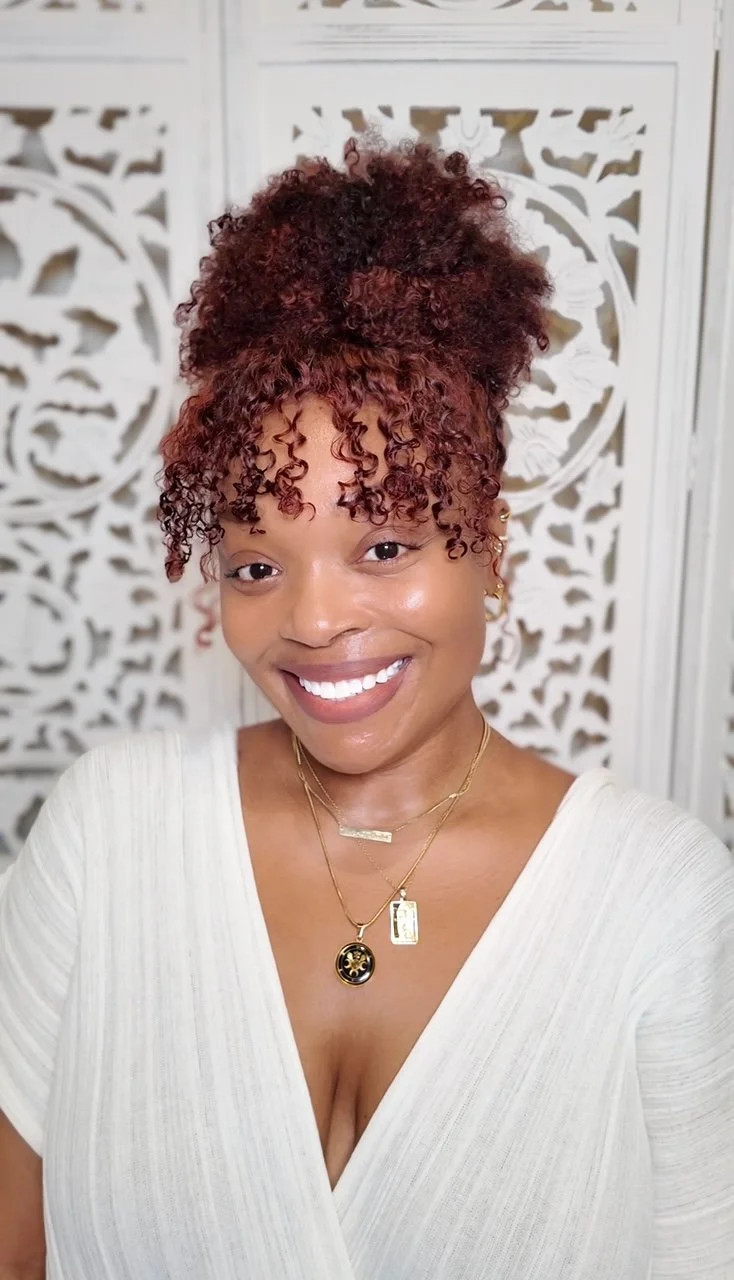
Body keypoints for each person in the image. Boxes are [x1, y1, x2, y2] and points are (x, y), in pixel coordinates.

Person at [0, 141, 732, 1280]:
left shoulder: (657, 892)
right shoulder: (107, 830)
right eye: (254, 566)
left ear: (486, 545)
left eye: (381, 545)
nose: (314, 617)